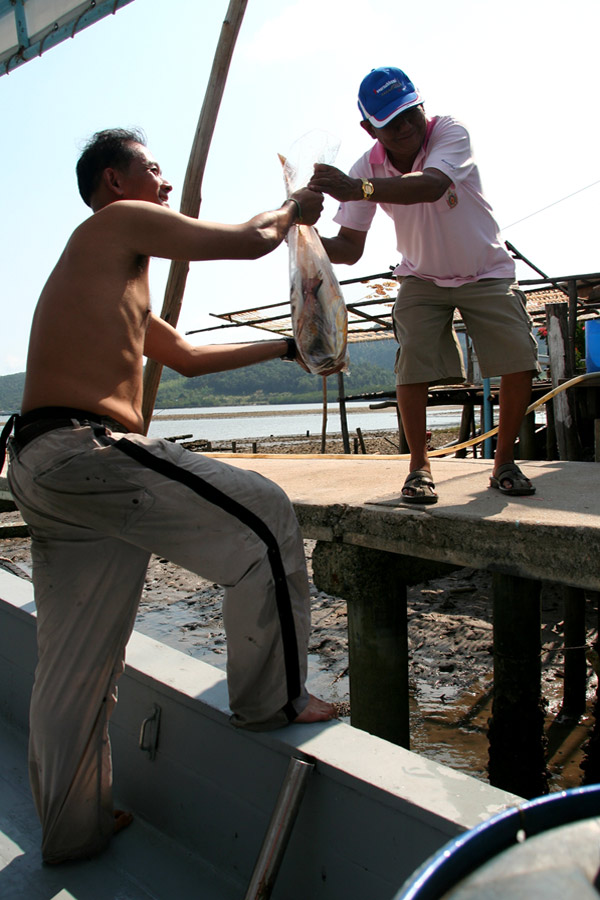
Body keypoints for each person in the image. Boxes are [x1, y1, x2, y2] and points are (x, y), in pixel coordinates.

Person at [1, 127, 336, 865]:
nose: (166, 184)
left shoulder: (112, 273)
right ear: (114, 182)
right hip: (83, 452)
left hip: (42, 467)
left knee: (76, 663)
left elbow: (184, 356)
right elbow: (249, 241)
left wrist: (288, 346)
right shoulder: (113, 223)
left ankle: (71, 828)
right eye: (152, 170)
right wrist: (292, 210)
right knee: (266, 517)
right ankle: (271, 701)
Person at [309, 66, 540, 504]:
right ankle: (419, 468)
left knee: (518, 357)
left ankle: (505, 461)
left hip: (485, 269)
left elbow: (432, 186)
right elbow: (348, 248)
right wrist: (301, 234)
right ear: (369, 129)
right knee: (412, 365)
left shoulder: (449, 132)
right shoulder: (367, 167)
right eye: (393, 124)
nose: (408, 126)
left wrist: (356, 187)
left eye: (412, 113)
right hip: (421, 276)